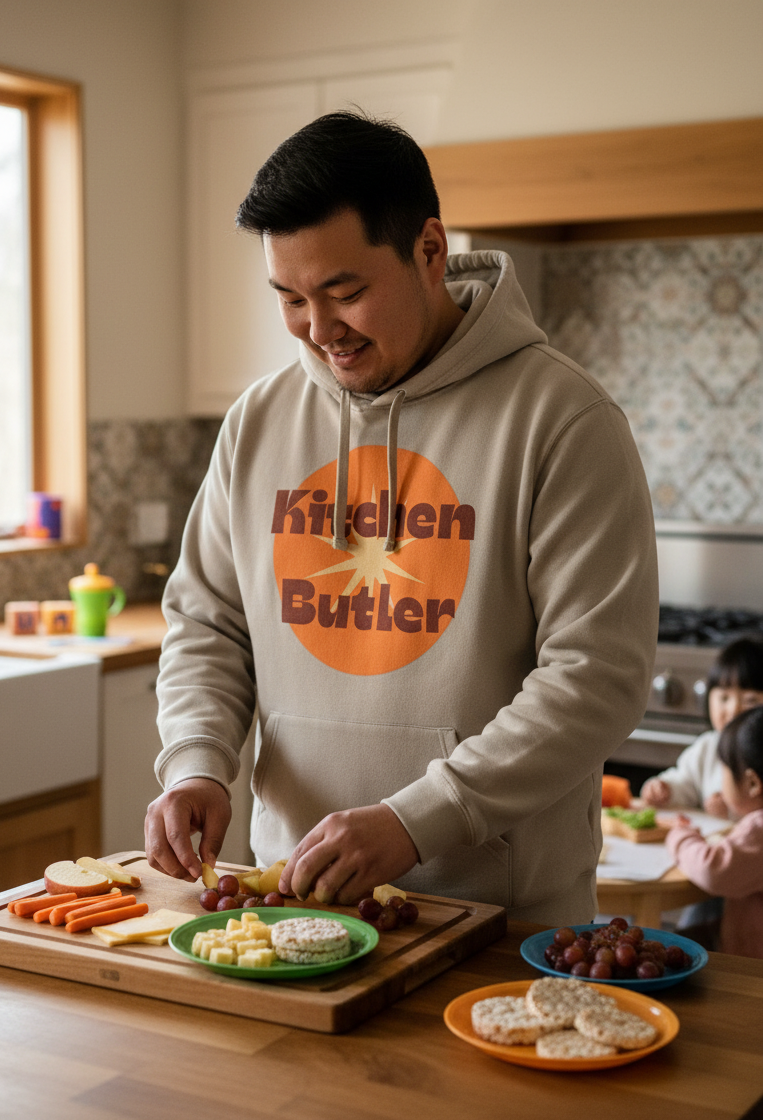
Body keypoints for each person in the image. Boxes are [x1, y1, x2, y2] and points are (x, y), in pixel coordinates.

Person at [146, 110, 659, 924]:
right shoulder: (257, 424)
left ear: (429, 250)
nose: (319, 333)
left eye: (345, 293)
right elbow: (209, 625)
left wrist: (416, 821)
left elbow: (596, 676)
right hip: (294, 907)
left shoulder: (563, 419)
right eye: (290, 299)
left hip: (501, 923)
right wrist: (197, 764)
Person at [665, 705, 763, 958]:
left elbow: (714, 869)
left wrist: (682, 836)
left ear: (752, 783)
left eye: (724, 769)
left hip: (751, 971)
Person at [642, 636, 763, 818]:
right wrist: (666, 789)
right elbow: (685, 782)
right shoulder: (707, 747)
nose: (733, 709)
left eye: (750, 701)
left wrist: (732, 811)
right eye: (724, 698)